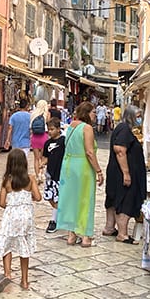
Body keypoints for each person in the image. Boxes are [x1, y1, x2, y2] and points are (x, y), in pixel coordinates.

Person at [0, 149, 41, 291]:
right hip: (26, 217)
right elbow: (38, 197)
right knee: (23, 246)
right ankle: (24, 281)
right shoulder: (30, 179)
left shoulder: (7, 181)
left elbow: (1, 203)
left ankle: (7, 274)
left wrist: (12, 204)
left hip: (11, 215)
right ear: (24, 163)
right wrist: (25, 199)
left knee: (7, 243)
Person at [56, 101, 103, 247]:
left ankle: (71, 234)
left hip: (69, 166)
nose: (95, 114)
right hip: (82, 167)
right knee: (85, 200)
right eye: (93, 112)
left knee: (71, 200)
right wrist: (99, 171)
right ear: (87, 113)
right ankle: (85, 236)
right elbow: (89, 152)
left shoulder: (70, 126)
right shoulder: (87, 128)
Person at [103, 105, 147, 244]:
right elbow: (120, 150)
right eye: (138, 116)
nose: (139, 119)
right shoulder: (124, 129)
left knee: (113, 198)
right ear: (131, 116)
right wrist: (126, 173)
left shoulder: (122, 128)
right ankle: (122, 234)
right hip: (121, 172)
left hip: (115, 171)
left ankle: (109, 227)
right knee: (125, 200)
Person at [41, 118, 65, 234]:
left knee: (57, 198)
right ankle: (59, 213)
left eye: (52, 129)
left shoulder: (63, 141)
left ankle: (53, 220)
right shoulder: (47, 143)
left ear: (58, 129)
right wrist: (42, 164)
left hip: (60, 174)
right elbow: (45, 157)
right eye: (48, 129)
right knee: (49, 197)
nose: (50, 132)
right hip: (50, 174)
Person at [30, 99, 49, 183]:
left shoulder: (33, 114)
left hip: (34, 137)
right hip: (43, 137)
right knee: (43, 158)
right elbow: (48, 124)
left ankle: (37, 176)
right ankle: (41, 173)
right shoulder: (46, 114)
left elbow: (30, 127)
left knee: (36, 159)